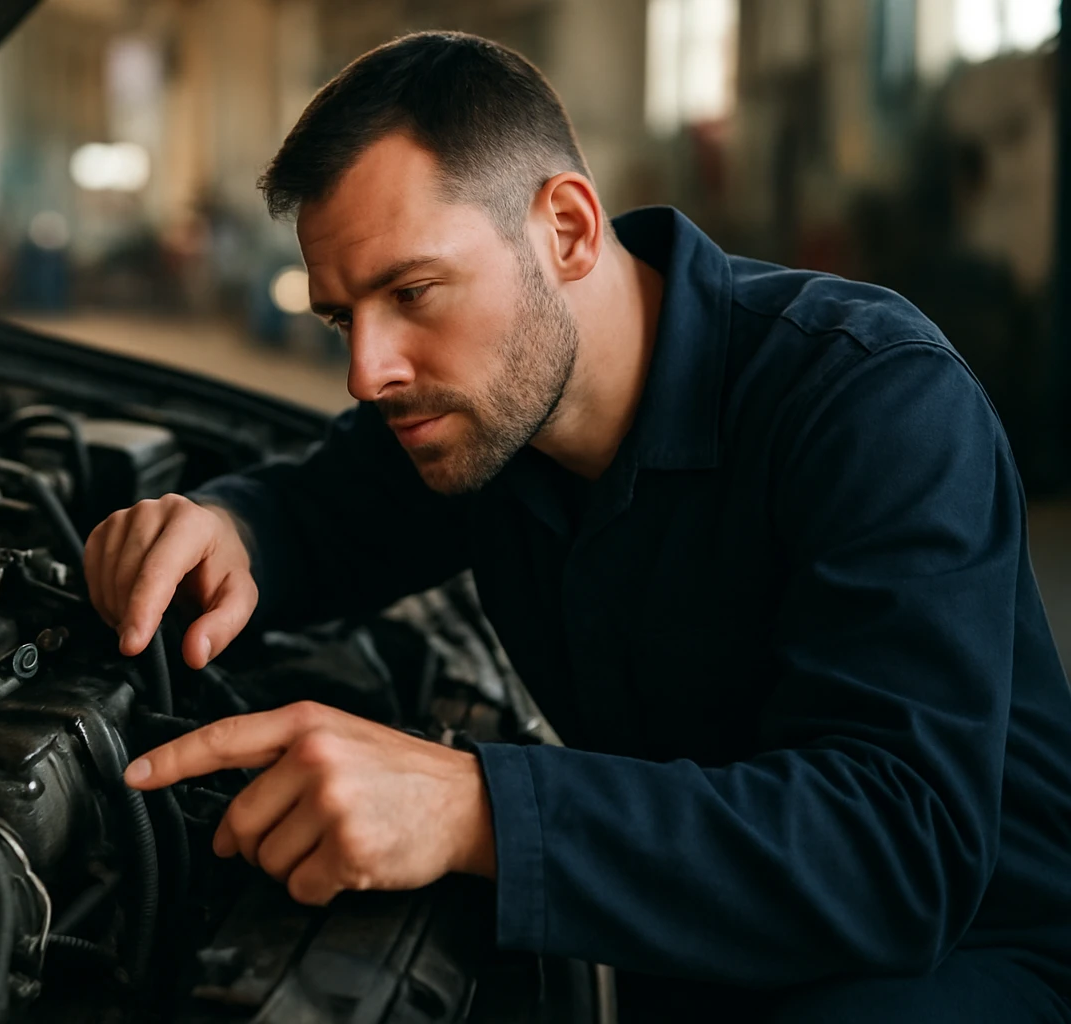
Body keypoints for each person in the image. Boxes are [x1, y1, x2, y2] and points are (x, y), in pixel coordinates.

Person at [83, 31, 1071, 1023]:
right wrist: (226, 528)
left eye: (412, 293)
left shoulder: (872, 400)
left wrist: (473, 808)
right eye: (344, 318)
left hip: (961, 966)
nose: (367, 371)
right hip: (693, 955)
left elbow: (897, 855)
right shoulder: (481, 420)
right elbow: (315, 513)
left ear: (565, 228)